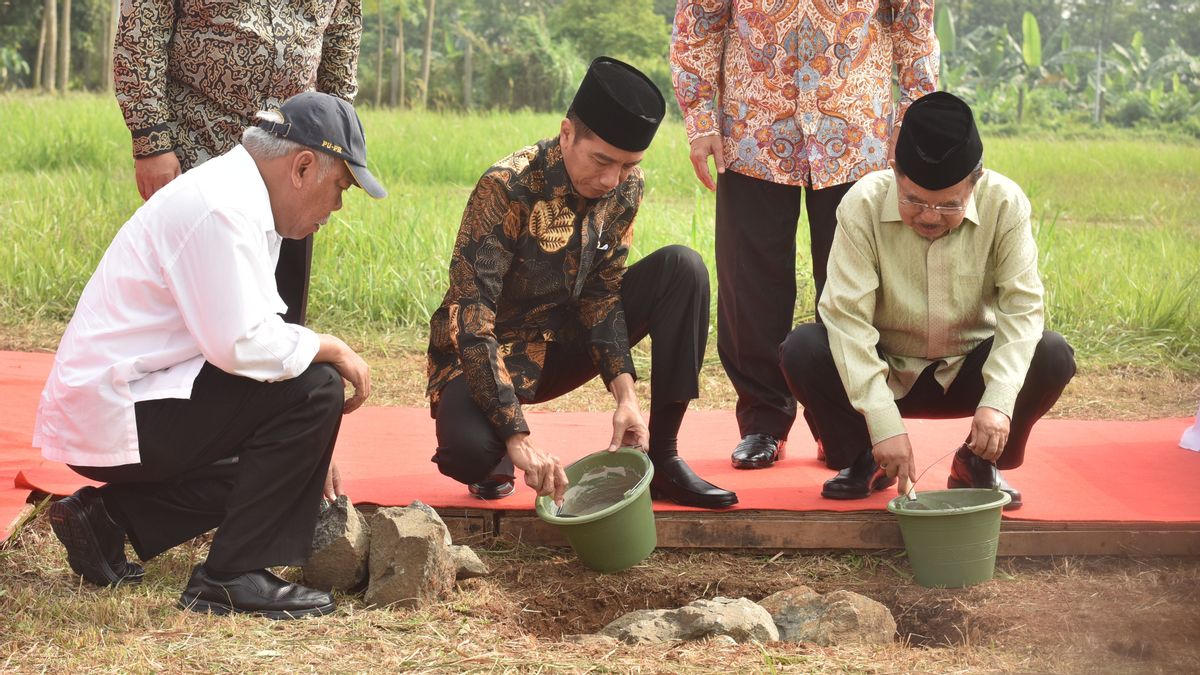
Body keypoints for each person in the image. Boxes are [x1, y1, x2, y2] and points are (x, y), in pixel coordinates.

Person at [35, 92, 386, 617]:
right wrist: (331, 347)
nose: (335, 209)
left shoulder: (239, 196)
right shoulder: (223, 207)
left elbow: (255, 343)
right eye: (339, 188)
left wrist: (308, 454)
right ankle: (231, 576)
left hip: (133, 398)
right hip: (116, 408)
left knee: (286, 438)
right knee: (318, 388)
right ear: (303, 166)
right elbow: (242, 344)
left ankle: (109, 518)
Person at [426, 57, 736, 510]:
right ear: (567, 133)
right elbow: (472, 319)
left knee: (683, 268)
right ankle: (496, 446)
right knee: (470, 454)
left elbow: (602, 295)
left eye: (628, 166)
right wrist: (516, 436)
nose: (612, 180)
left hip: (563, 342)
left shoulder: (626, 188)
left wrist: (625, 395)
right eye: (602, 161)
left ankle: (663, 457)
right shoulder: (506, 186)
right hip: (488, 348)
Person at [670, 0, 939, 470]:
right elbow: (698, 22)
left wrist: (912, 120)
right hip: (752, 124)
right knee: (748, 283)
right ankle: (762, 423)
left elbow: (914, 25)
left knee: (855, 286)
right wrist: (700, 120)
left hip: (857, 128)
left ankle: (844, 421)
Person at [778, 91, 1076, 510]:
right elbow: (846, 318)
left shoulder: (1005, 203)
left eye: (949, 205)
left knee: (1052, 353)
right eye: (914, 200)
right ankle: (867, 455)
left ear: (976, 181)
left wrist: (999, 401)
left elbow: (1022, 310)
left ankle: (978, 461)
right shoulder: (861, 204)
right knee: (804, 348)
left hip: (969, 369)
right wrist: (883, 424)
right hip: (888, 371)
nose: (930, 216)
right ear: (895, 171)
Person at [113, 0, 363, 326]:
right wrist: (151, 141)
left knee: (279, 311)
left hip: (293, 155)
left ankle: (276, 370)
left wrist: (332, 146)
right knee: (194, 309)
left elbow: (342, 41)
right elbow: (142, 31)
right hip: (198, 142)